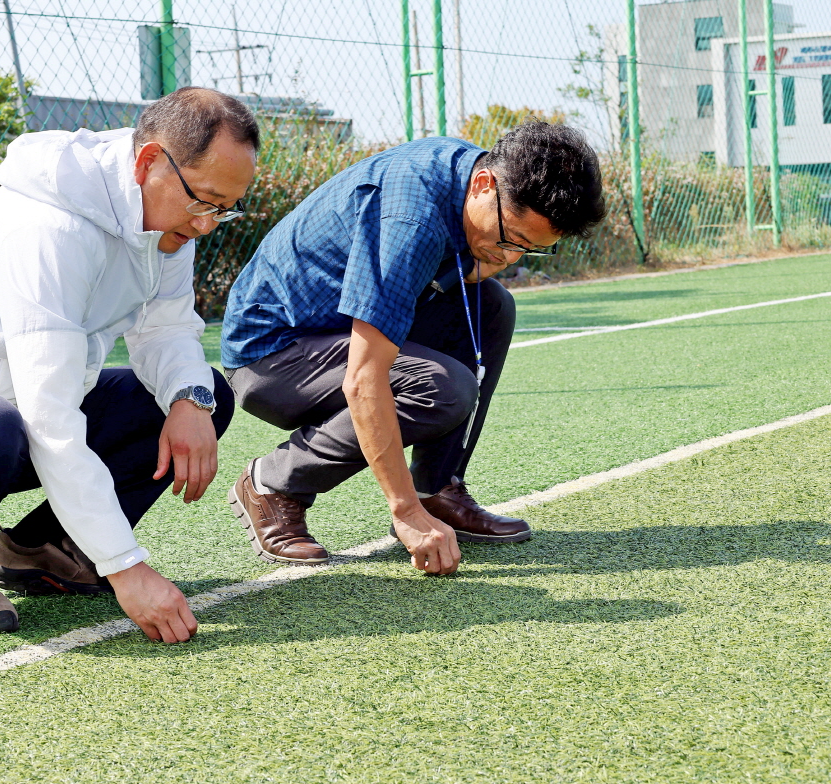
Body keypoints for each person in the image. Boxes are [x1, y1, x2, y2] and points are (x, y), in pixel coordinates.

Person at [0, 87, 257, 641]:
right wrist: (127, 567)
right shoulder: (47, 228)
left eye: (224, 209)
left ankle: (45, 548)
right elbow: (51, 416)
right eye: (204, 201)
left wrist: (190, 400)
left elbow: (167, 328)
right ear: (149, 161)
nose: (208, 224)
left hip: (17, 416)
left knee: (204, 396)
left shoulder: (168, 219)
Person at [220, 121, 605, 575]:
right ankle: (274, 483)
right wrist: (404, 512)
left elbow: (461, 271)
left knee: (491, 307)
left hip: (331, 330)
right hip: (272, 355)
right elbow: (364, 379)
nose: (511, 257)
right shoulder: (411, 217)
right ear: (485, 186)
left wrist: (486, 253)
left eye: (531, 249)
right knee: (443, 389)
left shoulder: (475, 172)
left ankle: (436, 489)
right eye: (510, 239)